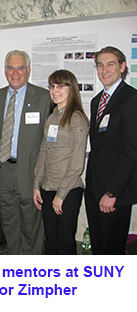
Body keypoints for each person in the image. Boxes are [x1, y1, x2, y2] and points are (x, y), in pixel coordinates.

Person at [0, 50, 50, 255]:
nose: (15, 72)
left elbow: (50, 141)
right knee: (10, 226)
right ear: (5, 71)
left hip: (30, 173)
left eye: (20, 67)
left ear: (28, 70)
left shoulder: (43, 98)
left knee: (32, 227)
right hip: (3, 172)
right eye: (11, 67)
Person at [85, 46, 137, 255]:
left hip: (114, 192)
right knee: (99, 247)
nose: (104, 70)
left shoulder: (131, 99)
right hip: (95, 188)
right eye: (100, 65)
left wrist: (112, 192)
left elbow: (132, 151)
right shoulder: (98, 100)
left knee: (112, 250)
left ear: (122, 67)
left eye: (110, 64)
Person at [33, 70, 89, 255]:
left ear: (71, 88)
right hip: (48, 187)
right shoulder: (52, 117)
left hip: (68, 189)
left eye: (60, 86)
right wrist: (36, 185)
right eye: (52, 86)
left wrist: (61, 195)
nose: (55, 90)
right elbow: (43, 153)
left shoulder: (77, 118)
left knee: (64, 241)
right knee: (50, 238)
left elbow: (77, 163)